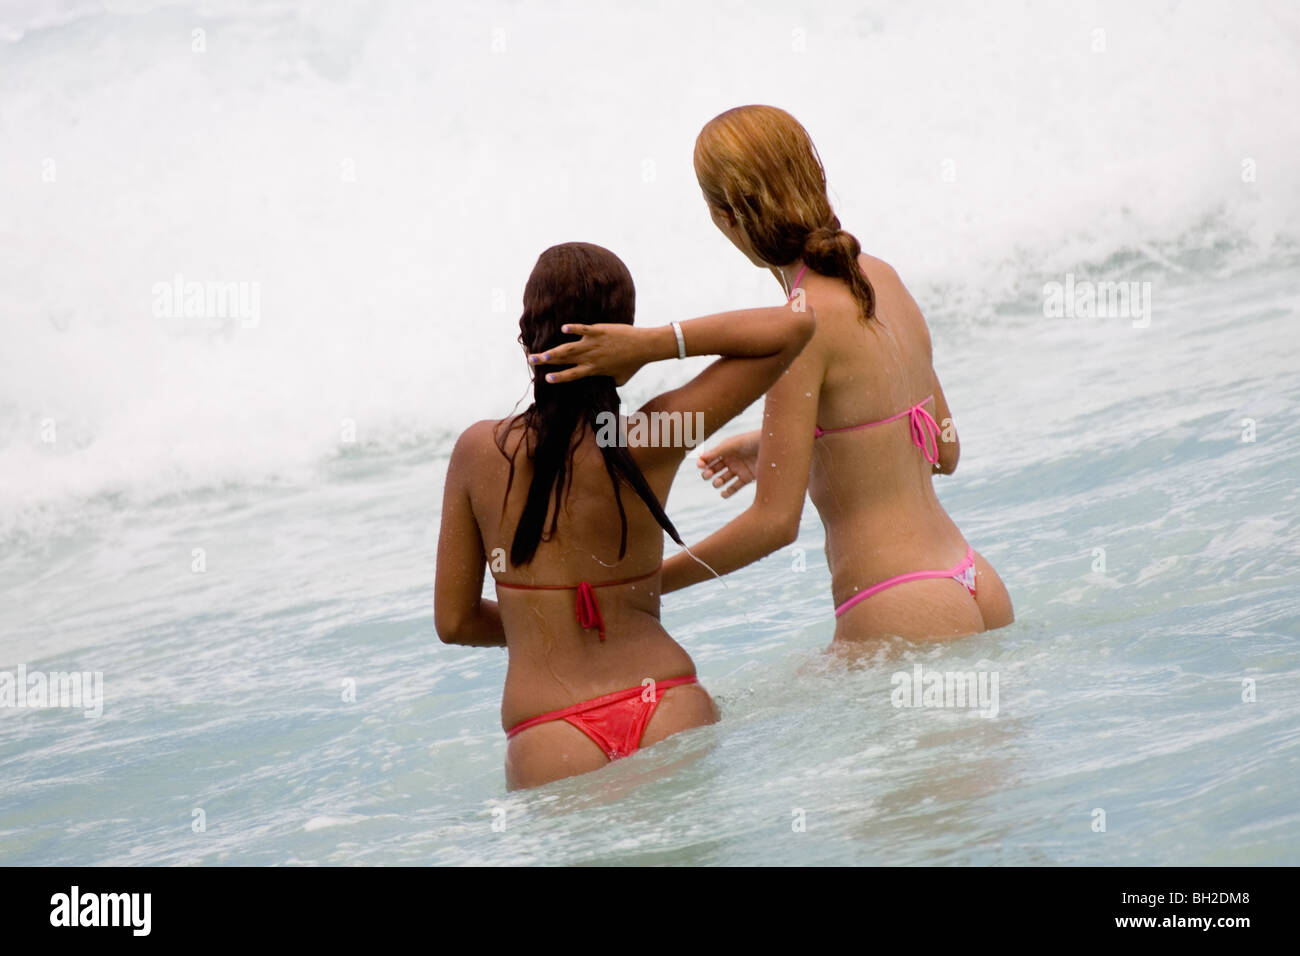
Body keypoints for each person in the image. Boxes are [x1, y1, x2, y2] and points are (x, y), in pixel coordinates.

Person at [538, 107, 1013, 644]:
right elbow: (943, 451)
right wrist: (790, 447)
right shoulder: (881, 278)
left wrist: (642, 584)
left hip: (899, 601)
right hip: (973, 580)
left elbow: (773, 526)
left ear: (725, 218)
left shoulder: (800, 326)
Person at [435, 241, 813, 789]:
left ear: (525, 337)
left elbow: (456, 622)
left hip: (551, 734)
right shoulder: (652, 435)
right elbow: (795, 327)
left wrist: (542, 622)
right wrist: (658, 345)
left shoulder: (478, 452)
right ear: (624, 336)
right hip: (667, 704)